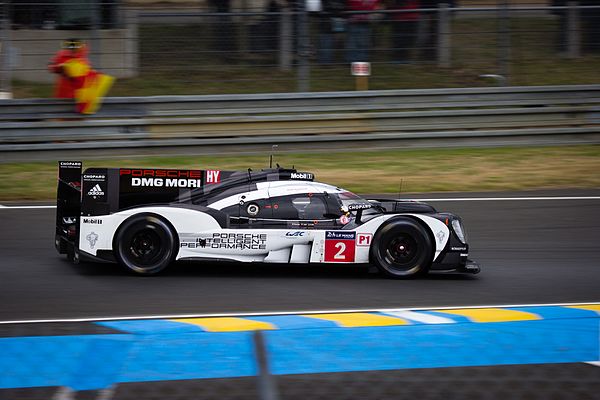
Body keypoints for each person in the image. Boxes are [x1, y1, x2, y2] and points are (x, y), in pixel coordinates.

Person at [48, 39, 114, 114]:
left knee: (76, 119)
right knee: (63, 117)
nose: (73, 50)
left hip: (78, 94)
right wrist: (60, 67)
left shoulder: (83, 58)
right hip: (64, 92)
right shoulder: (61, 55)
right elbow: (51, 67)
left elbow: (86, 75)